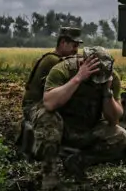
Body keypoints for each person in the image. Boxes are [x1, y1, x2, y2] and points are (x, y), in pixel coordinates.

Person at [33, 45, 126, 188]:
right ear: (81, 63)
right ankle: (49, 170)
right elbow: (50, 103)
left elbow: (114, 119)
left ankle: (78, 160)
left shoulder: (110, 78)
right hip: (62, 128)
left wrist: (107, 93)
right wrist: (78, 78)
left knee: (120, 136)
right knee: (47, 117)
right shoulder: (63, 70)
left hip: (88, 127)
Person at [14, 26, 83, 158]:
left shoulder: (57, 59)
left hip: (46, 100)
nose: (76, 50)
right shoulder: (54, 61)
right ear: (63, 43)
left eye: (77, 46)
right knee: (51, 119)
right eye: (74, 45)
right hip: (34, 105)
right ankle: (42, 151)